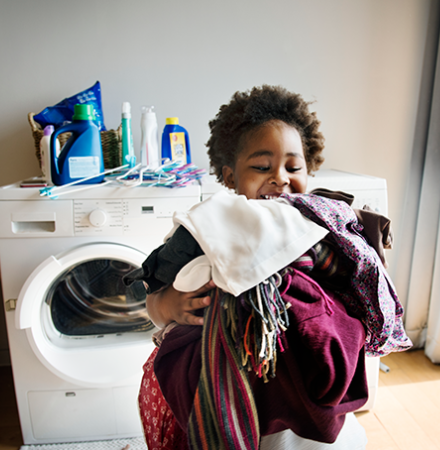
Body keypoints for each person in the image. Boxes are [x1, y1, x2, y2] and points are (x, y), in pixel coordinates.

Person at [131, 85, 411, 450]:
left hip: (312, 374)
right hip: (235, 373)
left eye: (293, 167)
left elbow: (357, 282)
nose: (280, 177)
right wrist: (170, 304)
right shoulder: (211, 224)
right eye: (262, 167)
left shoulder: (319, 224)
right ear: (230, 177)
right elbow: (153, 295)